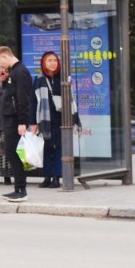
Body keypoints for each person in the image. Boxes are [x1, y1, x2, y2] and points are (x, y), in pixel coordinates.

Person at [33, 51, 81, 188]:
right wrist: (33, 122)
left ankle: (56, 177)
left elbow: (70, 99)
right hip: (45, 120)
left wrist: (74, 119)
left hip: (61, 119)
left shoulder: (63, 79)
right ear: (44, 63)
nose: (52, 63)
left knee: (59, 149)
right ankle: (47, 177)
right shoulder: (39, 80)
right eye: (49, 60)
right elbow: (33, 102)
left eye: (55, 60)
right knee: (47, 148)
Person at [0, 46, 34, 202]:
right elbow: (11, 95)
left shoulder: (20, 72)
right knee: (12, 153)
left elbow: (23, 99)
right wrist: (4, 81)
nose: (0, 66)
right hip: (11, 118)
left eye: (0, 62)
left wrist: (22, 121)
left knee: (14, 153)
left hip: (15, 119)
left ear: (5, 56)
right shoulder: (14, 72)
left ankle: (21, 190)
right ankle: (18, 188)